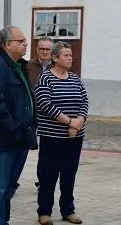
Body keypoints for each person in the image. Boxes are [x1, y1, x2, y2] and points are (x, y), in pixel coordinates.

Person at [0, 25, 37, 225]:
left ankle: (1, 220)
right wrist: (14, 129)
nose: (25, 44)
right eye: (21, 41)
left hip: (20, 137)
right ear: (7, 44)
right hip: (4, 139)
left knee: (10, 185)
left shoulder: (19, 66)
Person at [34, 41, 88, 225]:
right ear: (55, 58)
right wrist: (69, 121)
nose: (70, 57)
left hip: (75, 137)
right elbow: (45, 105)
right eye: (66, 55)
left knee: (69, 174)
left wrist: (78, 122)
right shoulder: (45, 78)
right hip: (52, 137)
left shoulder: (74, 78)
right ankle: (44, 212)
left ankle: (68, 210)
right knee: (48, 175)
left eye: (71, 55)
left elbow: (84, 101)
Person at [28, 36, 53, 190]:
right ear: (36, 49)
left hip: (49, 115)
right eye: (41, 49)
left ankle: (42, 180)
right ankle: (13, 179)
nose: (44, 52)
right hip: (30, 113)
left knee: (46, 150)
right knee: (23, 146)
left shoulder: (58, 66)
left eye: (47, 49)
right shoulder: (27, 66)